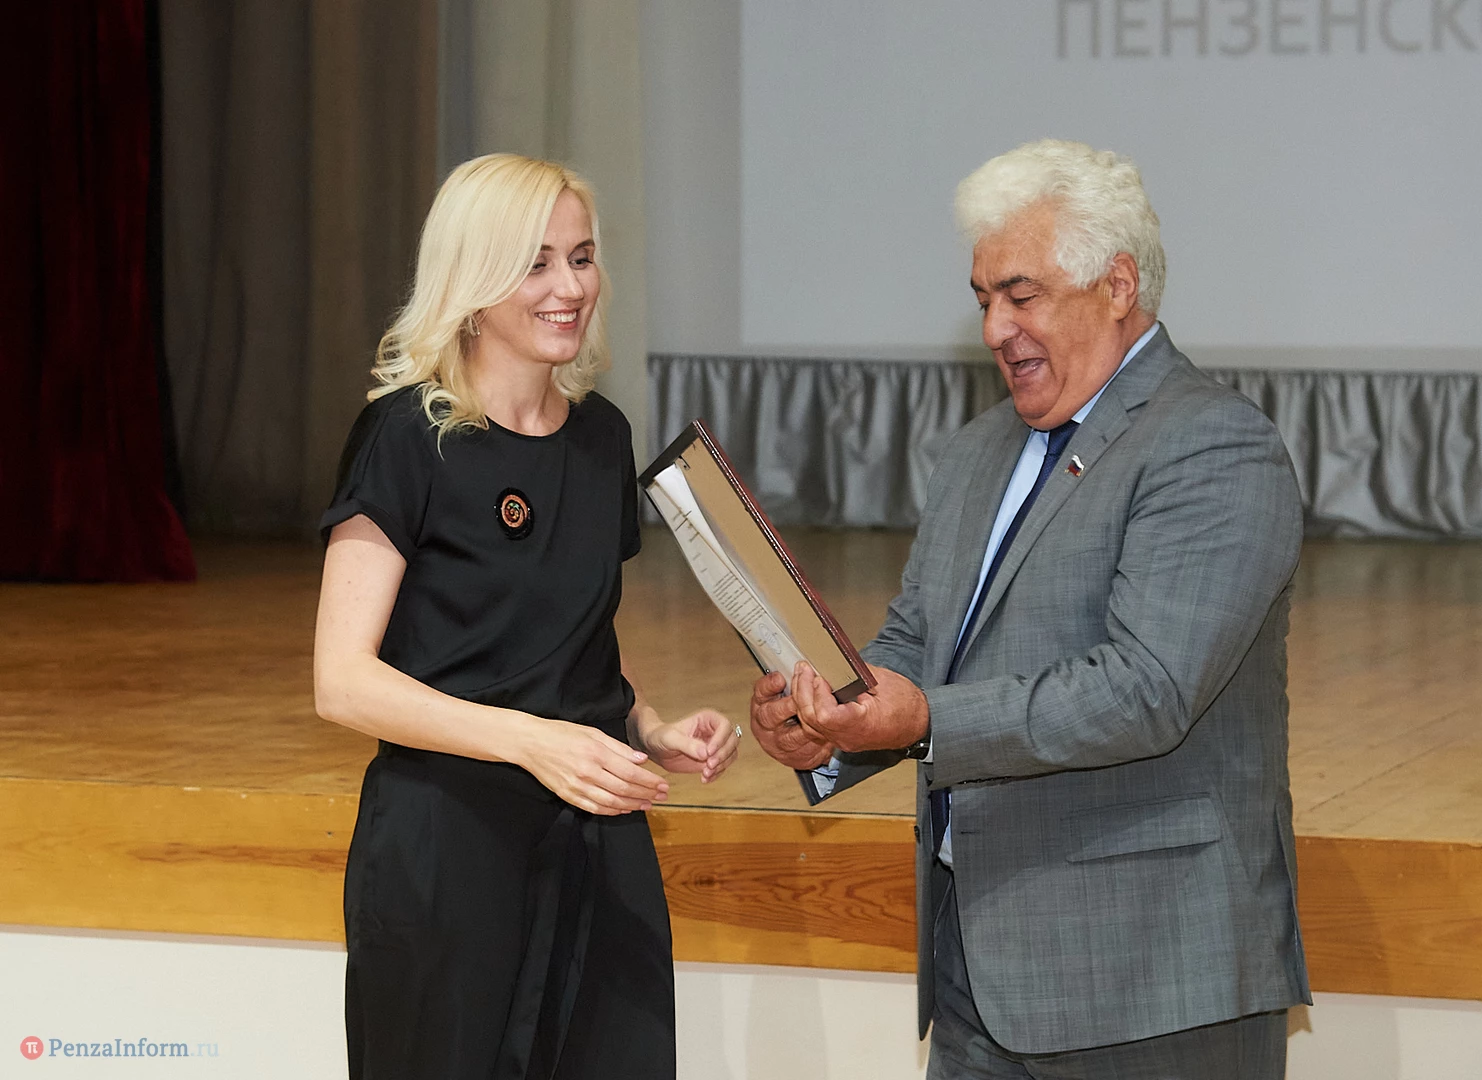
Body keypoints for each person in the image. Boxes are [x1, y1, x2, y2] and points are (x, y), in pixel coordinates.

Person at [750, 139, 1310, 1078]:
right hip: (978, 975)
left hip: (1152, 982)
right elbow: (920, 640)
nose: (994, 329)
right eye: (982, 299)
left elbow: (1146, 690)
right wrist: (830, 721)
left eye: (1022, 295)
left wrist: (923, 719)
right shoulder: (979, 449)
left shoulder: (1212, 445)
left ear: (1118, 285)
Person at [313, 153, 740, 1080]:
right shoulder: (405, 437)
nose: (570, 288)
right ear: (472, 279)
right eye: (535, 263)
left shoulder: (603, 437)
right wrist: (530, 742)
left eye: (581, 258)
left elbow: (567, 643)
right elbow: (342, 683)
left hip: (596, 835)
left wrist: (648, 727)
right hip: (448, 844)